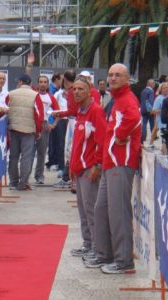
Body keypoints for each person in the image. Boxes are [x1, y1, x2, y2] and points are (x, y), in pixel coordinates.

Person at [84, 63, 141, 274]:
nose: (113, 78)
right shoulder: (117, 100)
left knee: (118, 213)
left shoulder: (127, 99)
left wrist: (120, 134)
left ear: (127, 79)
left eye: (118, 75)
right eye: (110, 74)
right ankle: (105, 254)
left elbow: (135, 118)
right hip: (110, 163)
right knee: (101, 210)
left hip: (121, 163)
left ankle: (124, 261)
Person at [68, 78, 106, 259]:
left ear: (89, 91)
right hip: (79, 167)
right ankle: (88, 243)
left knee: (91, 210)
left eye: (80, 89)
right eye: (74, 89)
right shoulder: (80, 111)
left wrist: (97, 166)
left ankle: (97, 247)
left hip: (89, 167)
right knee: (82, 210)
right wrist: (72, 166)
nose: (76, 92)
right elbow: (78, 142)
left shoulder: (96, 111)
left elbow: (102, 140)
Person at [7, 74, 44, 191]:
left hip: (13, 129)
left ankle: (13, 182)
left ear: (20, 82)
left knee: (13, 157)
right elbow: (39, 115)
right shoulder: (35, 95)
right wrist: (38, 130)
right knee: (26, 158)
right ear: (30, 83)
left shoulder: (11, 94)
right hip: (28, 130)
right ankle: (23, 183)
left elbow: (5, 109)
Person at [33, 75, 59, 184]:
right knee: (28, 152)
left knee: (41, 152)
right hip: (32, 124)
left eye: (45, 82)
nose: (43, 84)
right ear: (38, 83)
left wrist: (53, 124)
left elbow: (58, 112)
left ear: (47, 84)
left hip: (44, 125)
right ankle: (24, 177)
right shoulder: (33, 95)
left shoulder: (51, 97)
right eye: (41, 82)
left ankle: (39, 176)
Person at [150, 82, 168, 148]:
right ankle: (151, 144)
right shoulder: (159, 98)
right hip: (162, 122)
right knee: (164, 141)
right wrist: (163, 110)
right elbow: (153, 111)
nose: (166, 89)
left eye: (167, 87)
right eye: (164, 88)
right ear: (161, 90)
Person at [140, 79, 155, 143]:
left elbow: (142, 100)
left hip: (143, 109)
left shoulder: (143, 90)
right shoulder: (151, 91)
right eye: (153, 83)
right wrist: (151, 110)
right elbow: (150, 101)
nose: (154, 85)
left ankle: (143, 136)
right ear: (150, 84)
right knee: (152, 124)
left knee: (144, 123)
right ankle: (154, 135)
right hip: (149, 110)